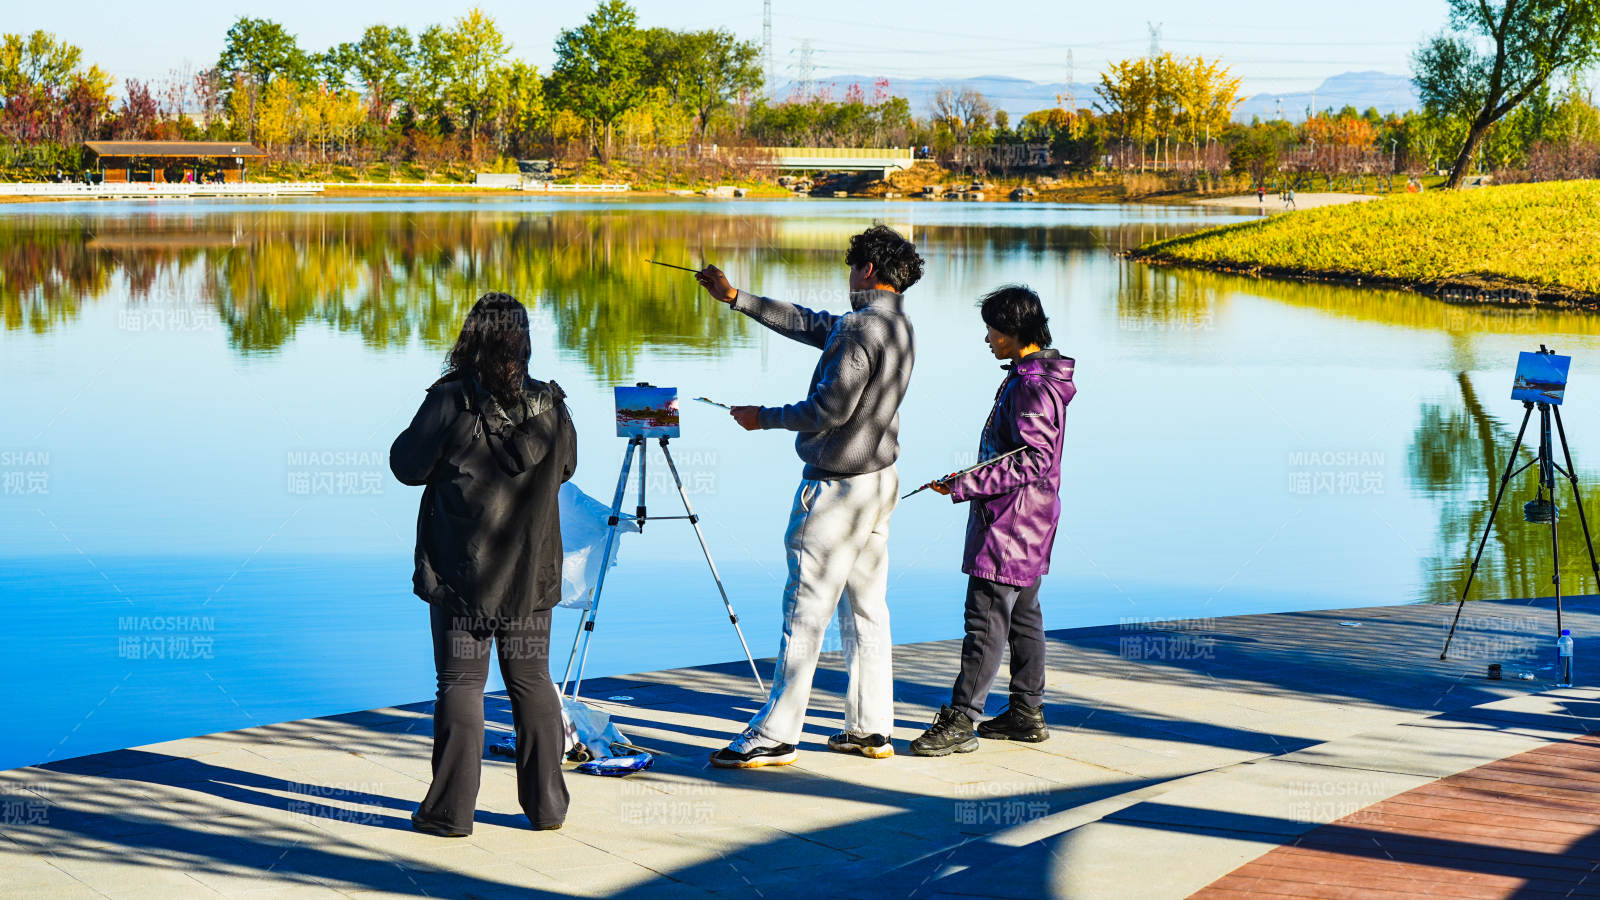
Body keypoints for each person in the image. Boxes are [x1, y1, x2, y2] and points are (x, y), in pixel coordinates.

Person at [693, 224, 921, 768]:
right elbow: (812, 324)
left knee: (805, 609)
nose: (847, 278)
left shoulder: (859, 330)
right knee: (868, 609)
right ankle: (871, 728)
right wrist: (736, 298)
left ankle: (777, 733)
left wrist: (762, 418)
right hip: (878, 485)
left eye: (851, 268)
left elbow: (828, 410)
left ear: (866, 269)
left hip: (838, 491)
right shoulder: (897, 325)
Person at [390, 292, 577, 835]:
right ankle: (546, 809)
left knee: (461, 684)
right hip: (529, 574)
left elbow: (406, 465)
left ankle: (450, 813)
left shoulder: (450, 399)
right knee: (532, 681)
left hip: (461, 574)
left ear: (470, 337)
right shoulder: (552, 404)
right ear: (523, 341)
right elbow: (566, 467)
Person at [909, 285, 1075, 757]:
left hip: (1011, 525)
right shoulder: (1034, 375)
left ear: (1014, 332)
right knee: (1023, 617)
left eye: (992, 330)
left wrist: (966, 484)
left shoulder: (1031, 384)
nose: (987, 339)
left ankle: (962, 720)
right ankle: (1026, 713)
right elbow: (1022, 455)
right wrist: (968, 476)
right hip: (1029, 520)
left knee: (983, 620)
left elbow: (1034, 459)